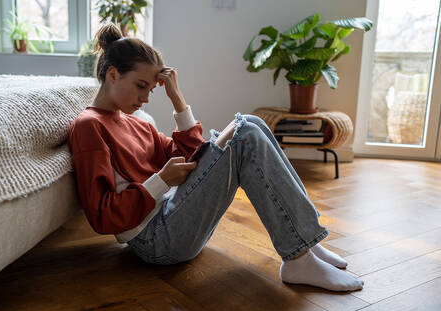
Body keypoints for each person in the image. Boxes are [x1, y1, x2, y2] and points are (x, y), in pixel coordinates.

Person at [68, 23, 364, 292]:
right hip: (156, 242)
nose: (146, 97)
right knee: (244, 132)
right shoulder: (89, 126)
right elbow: (102, 214)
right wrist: (160, 181)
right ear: (112, 74)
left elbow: (191, 154)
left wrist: (177, 99)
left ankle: (305, 243)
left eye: (150, 89)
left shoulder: (137, 122)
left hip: (173, 215)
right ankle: (299, 255)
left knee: (250, 122)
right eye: (140, 86)